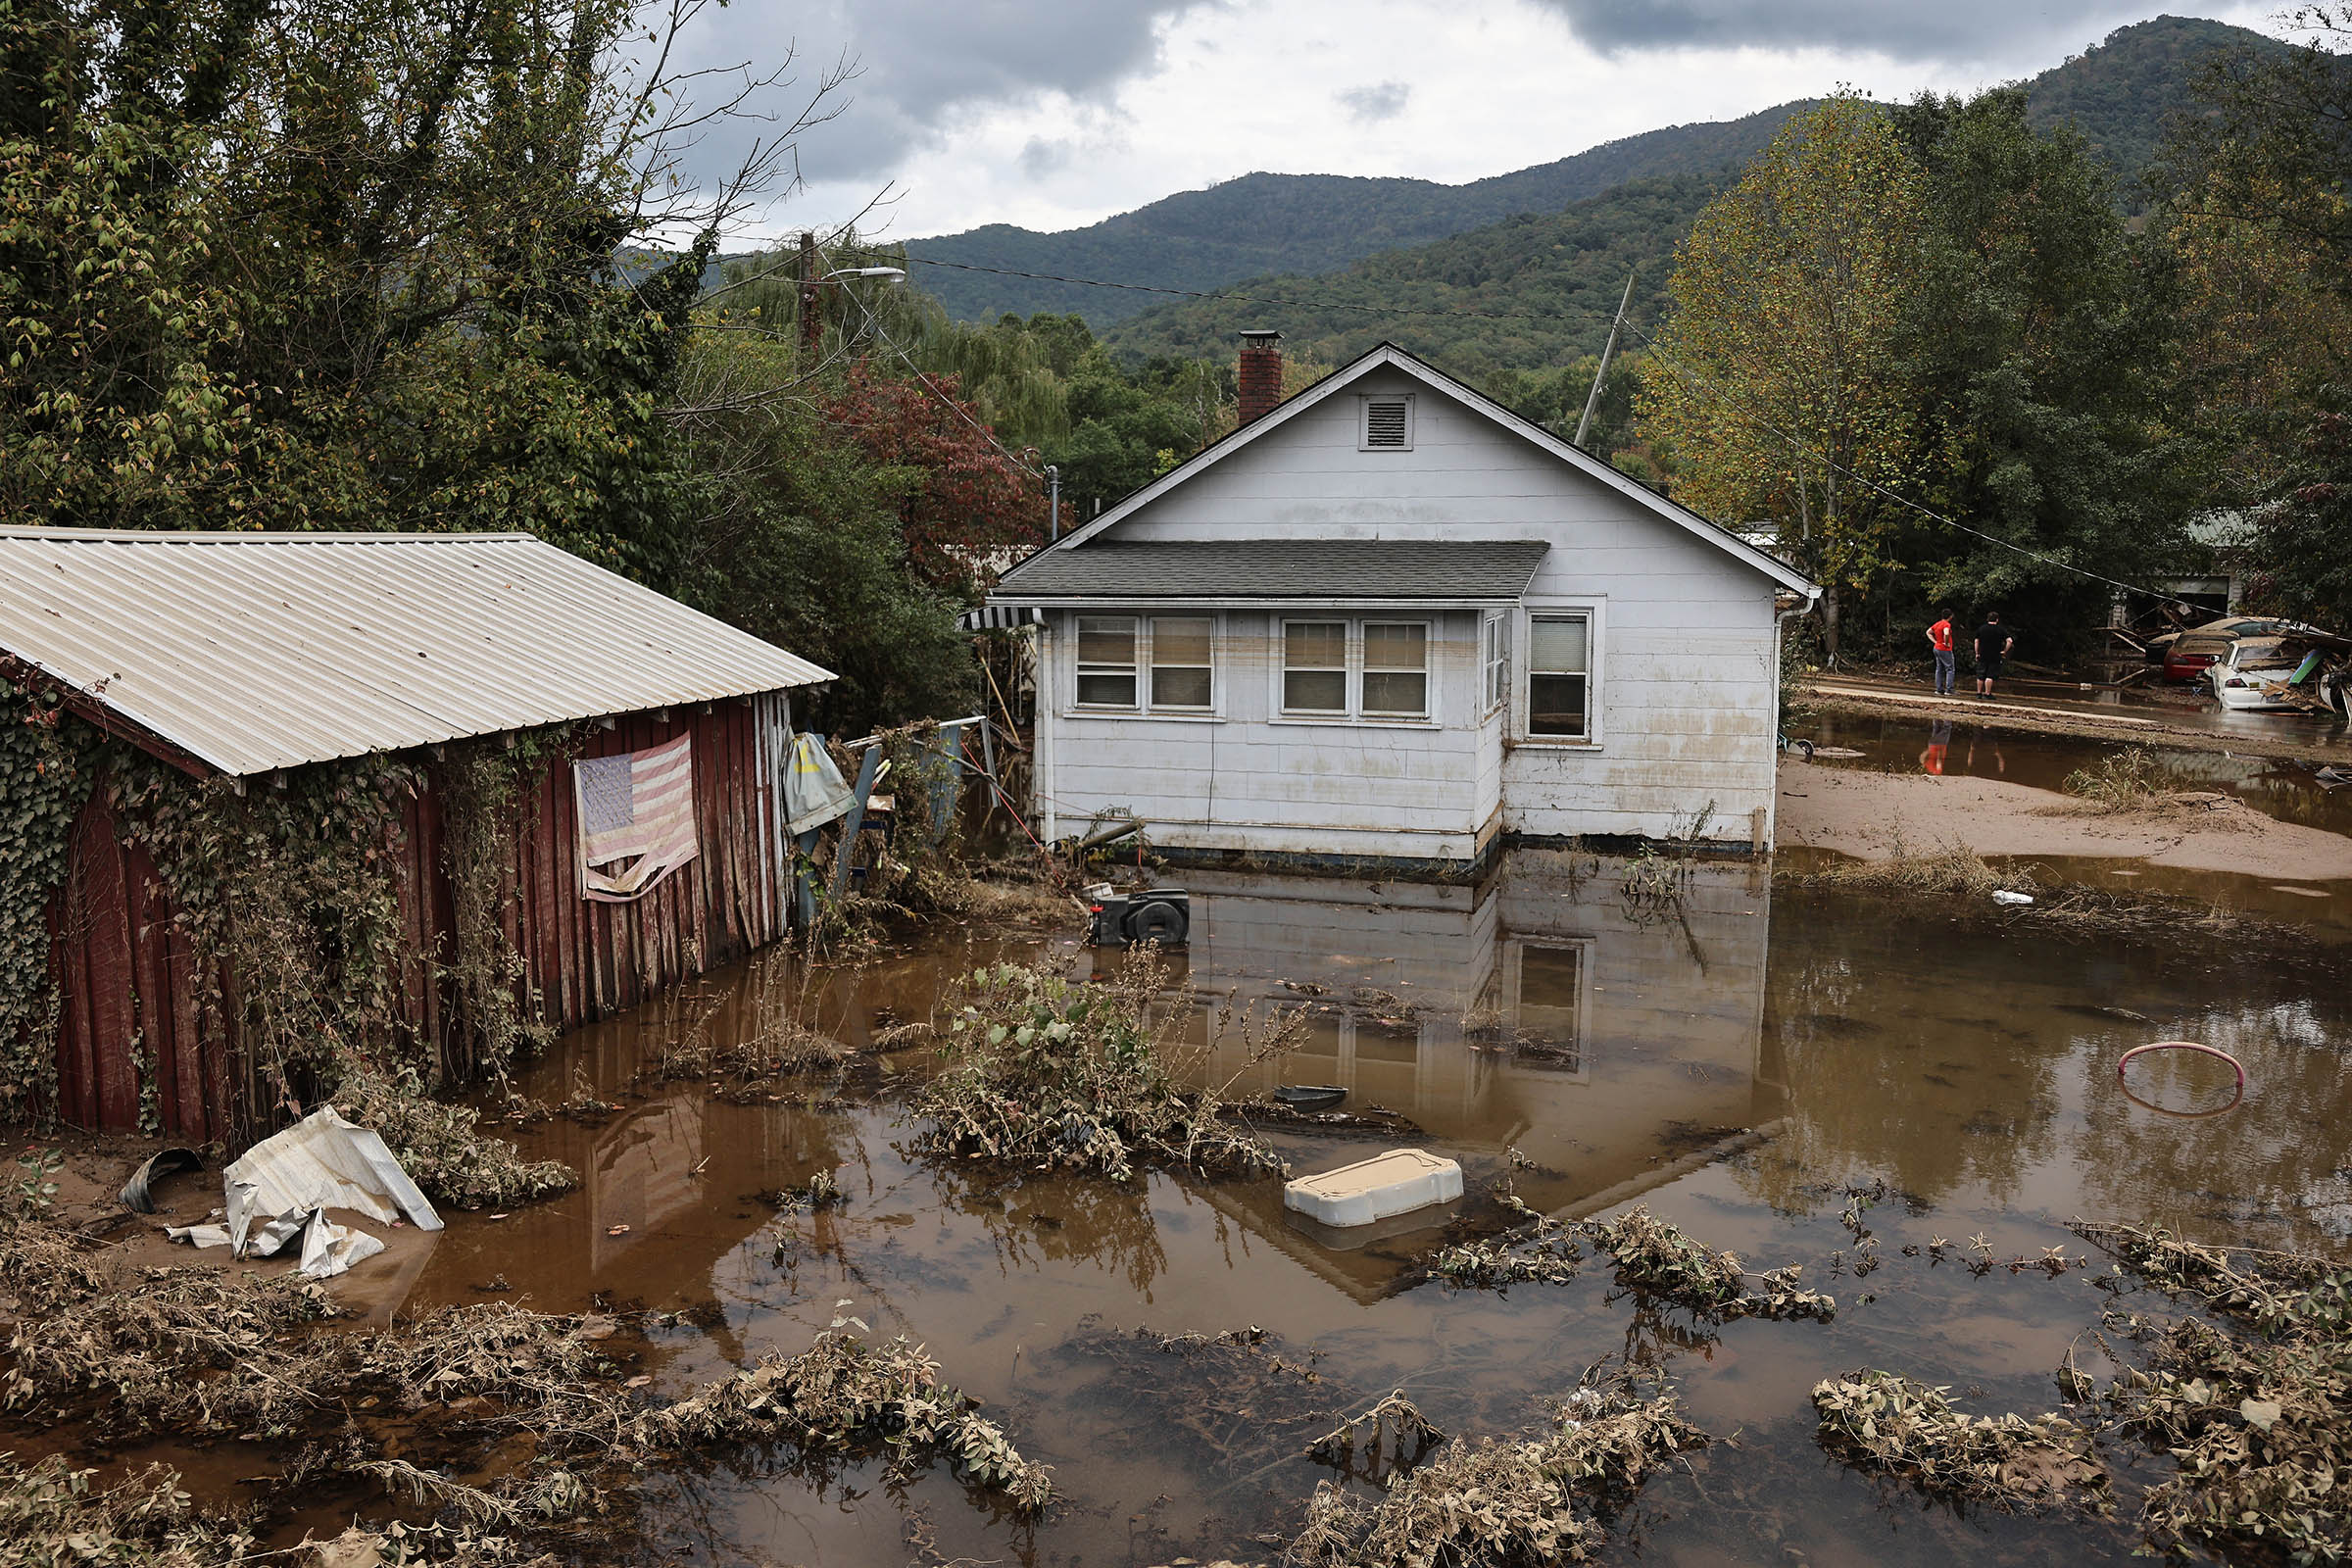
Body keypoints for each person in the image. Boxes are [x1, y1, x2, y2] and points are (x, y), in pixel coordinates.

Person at [1973, 611, 2014, 697]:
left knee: (1981, 674)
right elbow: (2009, 641)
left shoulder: (1982, 628)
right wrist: (2004, 651)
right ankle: (1987, 693)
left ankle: (1978, 693)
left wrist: (1977, 652)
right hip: (1995, 654)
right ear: (1997, 620)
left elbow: (1976, 641)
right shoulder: (2000, 629)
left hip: (1983, 653)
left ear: (1987, 619)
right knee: (1990, 675)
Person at [1926, 608, 1956, 696]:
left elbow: (1928, 632)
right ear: (1950, 616)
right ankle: (1949, 689)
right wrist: (1946, 643)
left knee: (1939, 668)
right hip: (1944, 649)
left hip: (1937, 648)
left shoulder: (1938, 624)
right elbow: (1946, 633)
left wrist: (1935, 641)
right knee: (1950, 669)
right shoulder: (1946, 624)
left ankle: (1939, 689)